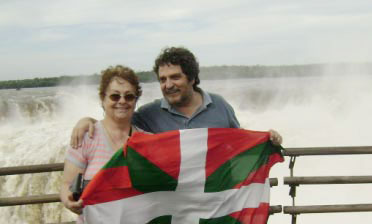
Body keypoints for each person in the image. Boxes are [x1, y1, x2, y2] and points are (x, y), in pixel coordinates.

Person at [70, 46, 282, 147]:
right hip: (173, 211)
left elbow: (240, 143)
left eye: (175, 77)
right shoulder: (148, 114)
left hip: (214, 204)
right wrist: (87, 121)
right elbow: (115, 122)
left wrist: (267, 140)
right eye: (162, 79)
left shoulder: (219, 105)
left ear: (191, 78)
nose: (168, 85)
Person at [60, 65, 144, 224]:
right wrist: (69, 201)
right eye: (115, 95)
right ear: (102, 99)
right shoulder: (86, 138)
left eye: (129, 96)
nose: (122, 101)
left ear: (136, 101)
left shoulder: (147, 142)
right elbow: (67, 184)